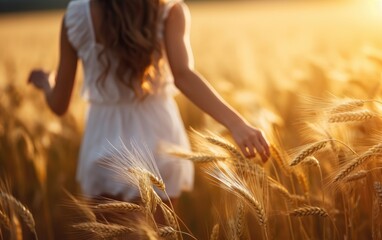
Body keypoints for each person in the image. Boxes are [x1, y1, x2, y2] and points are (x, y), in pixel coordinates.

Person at [28, 0, 270, 213]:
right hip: (160, 141)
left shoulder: (76, 15)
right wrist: (236, 123)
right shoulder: (170, 11)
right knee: (158, 233)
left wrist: (47, 84)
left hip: (104, 140)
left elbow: (59, 105)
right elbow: (184, 76)